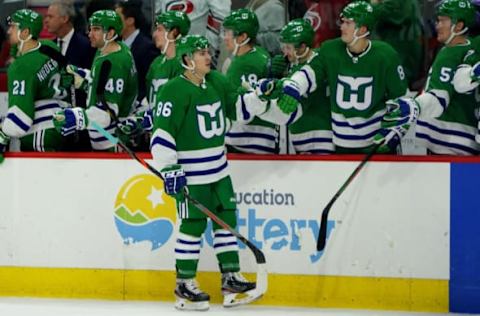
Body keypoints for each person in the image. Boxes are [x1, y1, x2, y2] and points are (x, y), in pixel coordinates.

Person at [150, 34, 263, 310]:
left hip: (219, 172)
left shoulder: (216, 82)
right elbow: (161, 135)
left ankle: (230, 278)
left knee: (226, 221)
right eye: (201, 54)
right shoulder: (173, 91)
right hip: (192, 176)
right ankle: (184, 284)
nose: (208, 57)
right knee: (193, 226)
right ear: (188, 59)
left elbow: (239, 108)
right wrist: (170, 169)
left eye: (207, 52)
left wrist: (261, 96)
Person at [267, 1, 414, 154]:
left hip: (376, 144)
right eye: (343, 22)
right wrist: (293, 86)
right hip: (342, 145)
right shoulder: (330, 50)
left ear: (362, 29)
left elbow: (402, 100)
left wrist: (394, 130)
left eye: (348, 23)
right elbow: (310, 72)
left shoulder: (386, 55)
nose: (342, 27)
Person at [52, 10, 138, 151]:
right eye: (90, 28)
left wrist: (77, 117)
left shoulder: (115, 63)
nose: (90, 34)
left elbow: (108, 112)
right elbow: (100, 87)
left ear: (110, 34)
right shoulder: (109, 49)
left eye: (96, 29)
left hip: (112, 141)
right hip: (103, 137)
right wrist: (80, 77)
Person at [0, 9, 70, 159]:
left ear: (25, 32)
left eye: (13, 27)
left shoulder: (20, 67)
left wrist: (2, 134)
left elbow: (21, 119)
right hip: (62, 124)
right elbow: (68, 78)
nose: (9, 30)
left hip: (40, 132)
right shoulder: (50, 47)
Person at [115, 10, 190, 150]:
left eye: (160, 29)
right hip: (156, 137)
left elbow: (181, 107)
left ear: (174, 32)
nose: (155, 34)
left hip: (179, 141)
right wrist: (134, 119)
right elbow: (148, 100)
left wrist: (148, 118)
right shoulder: (156, 63)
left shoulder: (184, 64)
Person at [416, 0, 479, 155]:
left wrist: (412, 106)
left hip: (447, 138)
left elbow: (439, 98)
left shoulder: (451, 52)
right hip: (466, 137)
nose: (437, 26)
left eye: (442, 20)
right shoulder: (471, 48)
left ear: (458, 26)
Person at [221, 8, 278, 154]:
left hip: (245, 140)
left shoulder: (244, 64)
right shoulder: (260, 53)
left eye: (228, 32)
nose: (224, 37)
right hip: (263, 137)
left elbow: (237, 107)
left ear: (242, 37)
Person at [45, 0, 96, 151]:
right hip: (55, 122)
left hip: (82, 126)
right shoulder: (48, 48)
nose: (46, 20)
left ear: (64, 18)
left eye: (50, 16)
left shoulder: (87, 46)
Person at [155, 0, 231, 68]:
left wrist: (210, 52)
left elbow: (223, 21)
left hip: (199, 57)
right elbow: (155, 18)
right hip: (168, 55)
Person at [370, 0, 425, 91]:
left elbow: (383, 12)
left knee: (397, 87)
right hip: (401, 45)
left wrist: (374, 4)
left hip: (401, 47)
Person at [115, 0, 159, 102]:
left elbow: (148, 83)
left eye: (117, 18)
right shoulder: (115, 45)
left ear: (130, 20)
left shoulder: (147, 48)